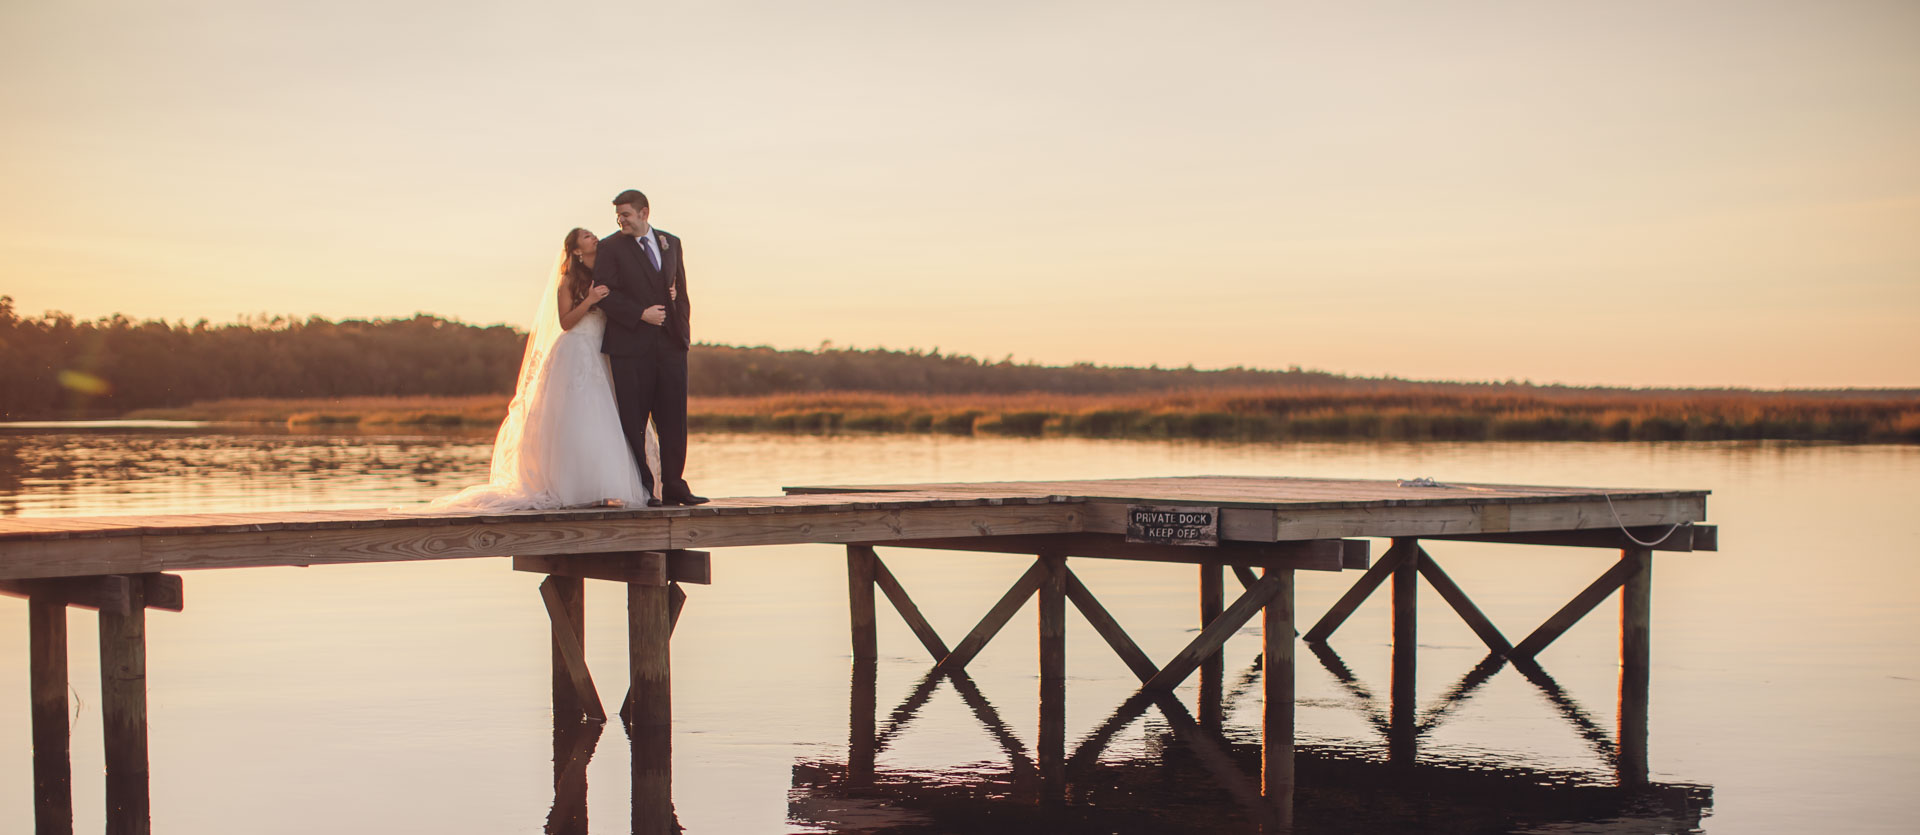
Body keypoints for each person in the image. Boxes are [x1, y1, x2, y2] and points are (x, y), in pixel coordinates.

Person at [422, 228, 656, 512]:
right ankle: (575, 488)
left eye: (592, 234)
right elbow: (566, 322)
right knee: (580, 414)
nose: (593, 237)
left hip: (603, 351)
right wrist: (591, 300)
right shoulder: (568, 282)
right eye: (585, 236)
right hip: (576, 349)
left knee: (609, 416)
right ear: (576, 251)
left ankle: (608, 487)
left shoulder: (607, 276)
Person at [595, 189, 707, 506]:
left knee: (674, 417)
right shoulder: (610, 247)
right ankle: (645, 488)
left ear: (644, 213)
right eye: (618, 216)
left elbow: (681, 292)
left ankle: (674, 485)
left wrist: (682, 332)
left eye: (626, 214)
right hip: (630, 346)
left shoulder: (671, 242)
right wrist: (638, 314)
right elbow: (604, 293)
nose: (621, 220)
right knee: (634, 419)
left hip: (671, 344)